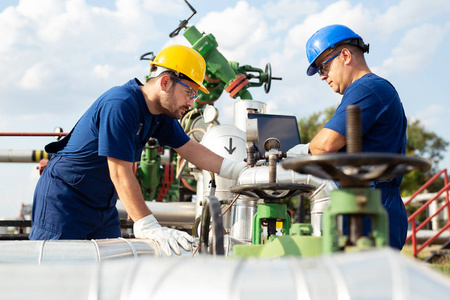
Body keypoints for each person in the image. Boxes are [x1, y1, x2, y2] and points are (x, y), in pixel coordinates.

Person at [29, 44, 246, 256]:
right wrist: (148, 225)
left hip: (102, 207)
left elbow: (190, 148)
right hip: (65, 202)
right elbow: (119, 171)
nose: (191, 102)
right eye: (189, 92)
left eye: (194, 96)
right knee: (54, 275)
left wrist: (238, 171)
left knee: (110, 275)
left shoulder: (160, 114)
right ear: (165, 82)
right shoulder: (121, 104)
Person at [288, 25, 408, 250]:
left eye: (324, 66)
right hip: (367, 200)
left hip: (372, 205)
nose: (322, 76)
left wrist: (294, 153)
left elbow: (325, 146)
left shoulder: (367, 88)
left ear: (345, 55)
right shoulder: (367, 89)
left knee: (367, 281)